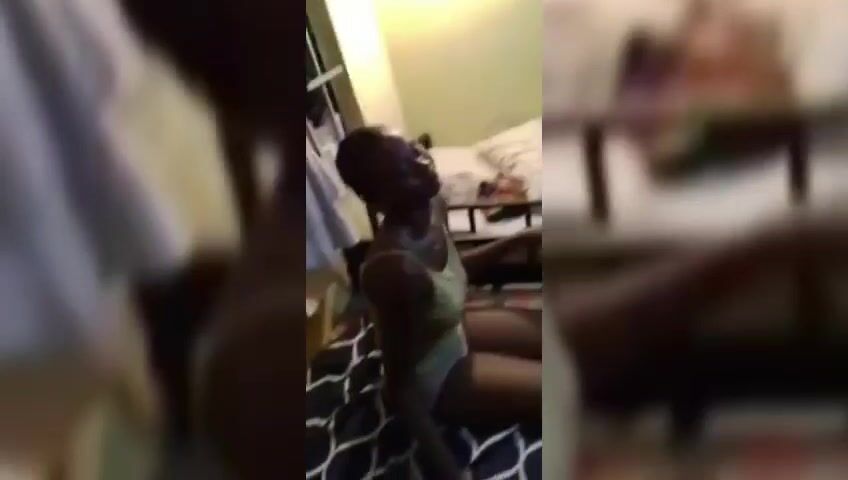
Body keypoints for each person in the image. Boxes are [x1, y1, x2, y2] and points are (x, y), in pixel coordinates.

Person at [334, 126, 541, 477]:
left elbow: (451, 270)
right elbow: (400, 385)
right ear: (377, 201)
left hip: (450, 329)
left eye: (414, 151)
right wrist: (446, 469)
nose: (423, 165)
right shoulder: (393, 269)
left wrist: (515, 241)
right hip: (434, 373)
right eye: (404, 170)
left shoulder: (433, 204)